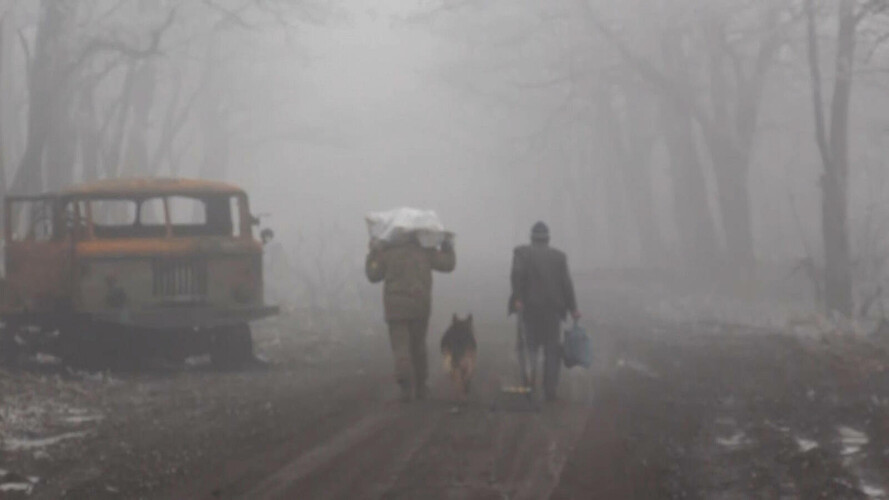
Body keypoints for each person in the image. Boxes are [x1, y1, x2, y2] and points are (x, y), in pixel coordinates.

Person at [366, 233, 456, 402]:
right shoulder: (425, 252)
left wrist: (373, 253)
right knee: (418, 347)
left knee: (401, 348)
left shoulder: (388, 253)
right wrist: (447, 246)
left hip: (395, 308)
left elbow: (373, 275)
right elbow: (448, 265)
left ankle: (406, 387)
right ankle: (421, 388)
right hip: (419, 307)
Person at [509, 221, 580, 402]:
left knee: (530, 348)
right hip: (552, 312)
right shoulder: (559, 257)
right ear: (548, 238)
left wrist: (517, 298)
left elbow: (517, 275)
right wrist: (574, 309)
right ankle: (550, 390)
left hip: (529, 310)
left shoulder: (521, 253)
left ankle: (529, 386)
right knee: (552, 350)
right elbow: (566, 284)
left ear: (532, 237)